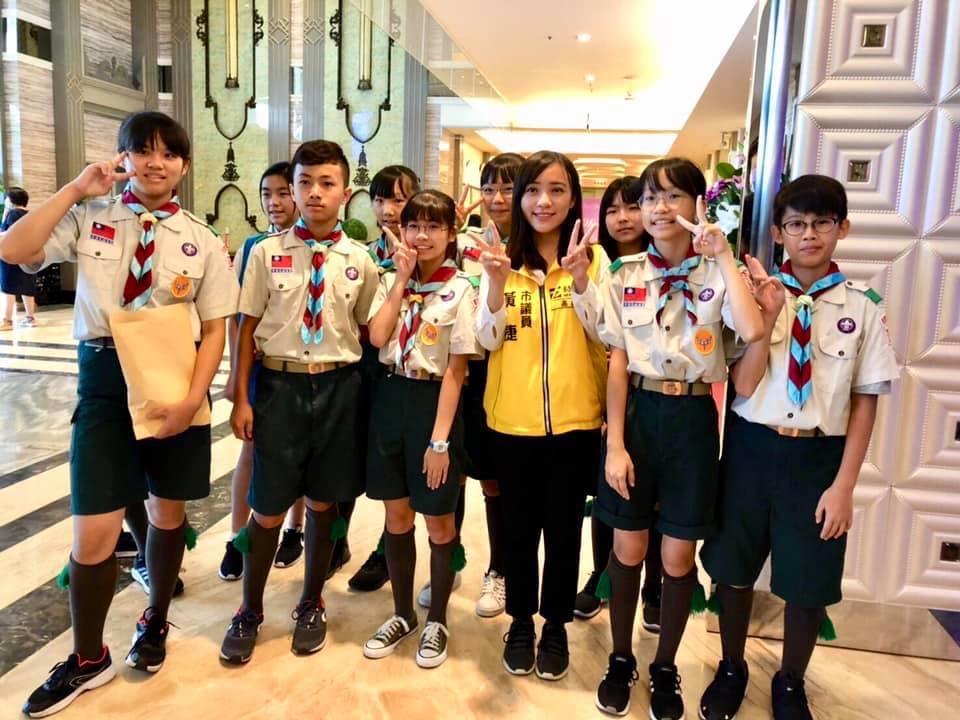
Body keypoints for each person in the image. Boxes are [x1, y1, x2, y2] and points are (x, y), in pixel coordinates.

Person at [0, 111, 238, 717]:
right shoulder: (90, 217)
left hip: (172, 379)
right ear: (122, 157)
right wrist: (77, 188)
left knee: (166, 511)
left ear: (184, 166)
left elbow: (215, 329)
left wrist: (193, 399)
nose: (156, 162)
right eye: (143, 151)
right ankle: (88, 657)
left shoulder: (202, 239)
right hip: (105, 381)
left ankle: (155, 618)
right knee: (93, 532)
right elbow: (13, 249)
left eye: (168, 154)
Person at [698, 175, 898, 720]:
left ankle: (790, 681)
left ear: (842, 228)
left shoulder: (864, 308)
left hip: (818, 459)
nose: (809, 235)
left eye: (821, 223)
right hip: (751, 451)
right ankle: (731, 666)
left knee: (808, 581)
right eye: (796, 224)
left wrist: (844, 486)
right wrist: (765, 322)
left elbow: (864, 403)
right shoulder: (753, 295)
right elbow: (741, 387)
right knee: (733, 567)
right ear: (778, 233)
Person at [590, 158, 764, 718]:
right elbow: (618, 363)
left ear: (697, 205)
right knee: (628, 546)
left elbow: (752, 329)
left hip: (692, 419)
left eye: (672, 196)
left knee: (678, 552)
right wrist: (616, 445)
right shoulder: (624, 274)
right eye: (649, 198)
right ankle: (621, 658)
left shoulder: (718, 273)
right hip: (638, 414)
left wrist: (725, 257)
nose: (659, 208)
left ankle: (665, 665)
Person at [219, 140, 378, 665]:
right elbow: (246, 328)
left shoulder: (360, 261)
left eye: (326, 183)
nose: (314, 193)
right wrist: (241, 397)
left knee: (322, 503)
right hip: (280, 388)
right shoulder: (266, 253)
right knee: (267, 507)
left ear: (345, 192)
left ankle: (311, 602)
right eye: (305, 182)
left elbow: (371, 330)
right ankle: (249, 609)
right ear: (292, 188)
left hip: (338, 388)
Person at [473, 150, 607, 681]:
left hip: (575, 423)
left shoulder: (595, 261)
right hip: (512, 423)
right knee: (518, 530)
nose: (543, 201)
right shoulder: (499, 260)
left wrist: (581, 281)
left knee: (564, 531)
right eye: (532, 190)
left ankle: (555, 624)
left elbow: (606, 334)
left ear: (573, 200)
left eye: (556, 190)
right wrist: (495, 285)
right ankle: (521, 622)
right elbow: (485, 340)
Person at [362, 189, 480, 668]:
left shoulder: (462, 289)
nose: (422, 235)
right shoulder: (392, 279)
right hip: (391, 396)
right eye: (414, 225)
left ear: (451, 234)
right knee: (396, 516)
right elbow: (377, 336)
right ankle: (402, 614)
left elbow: (456, 370)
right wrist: (400, 280)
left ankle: (438, 621)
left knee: (438, 519)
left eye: (433, 226)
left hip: (434, 404)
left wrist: (439, 441)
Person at [576, 176, 663, 633]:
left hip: (648, 395)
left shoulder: (668, 261)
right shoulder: (595, 263)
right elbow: (594, 330)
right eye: (612, 210)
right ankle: (602, 574)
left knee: (655, 495)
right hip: (601, 392)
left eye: (632, 207)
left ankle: (654, 586)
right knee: (608, 494)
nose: (623, 218)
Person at [219, 161, 306, 582]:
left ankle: (294, 529)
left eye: (283, 192)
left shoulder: (317, 247)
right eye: (267, 193)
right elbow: (238, 317)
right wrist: (236, 377)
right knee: (252, 450)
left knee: (302, 451)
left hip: (302, 365)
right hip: (260, 366)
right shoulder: (254, 247)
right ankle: (237, 537)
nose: (275, 202)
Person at [456, 152, 524, 618]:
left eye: (508, 187)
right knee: (457, 468)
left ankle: (500, 570)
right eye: (490, 188)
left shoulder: (535, 247)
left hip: (515, 372)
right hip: (467, 372)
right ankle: (449, 562)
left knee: (499, 480)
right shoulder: (463, 243)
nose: (498, 198)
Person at [348, 164, 422, 593]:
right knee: (355, 459)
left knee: (407, 471)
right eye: (379, 199)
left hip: (411, 373)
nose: (388, 209)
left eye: (397, 199)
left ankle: (385, 550)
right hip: (362, 367)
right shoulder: (361, 255)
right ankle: (336, 541)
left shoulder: (431, 256)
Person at [0, 186, 38, 329]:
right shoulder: (31, 215)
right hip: (29, 256)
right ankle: (31, 318)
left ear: (10, 200)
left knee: (8, 288)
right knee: (27, 288)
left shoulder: (13, 214)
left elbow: (10, 233)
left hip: (12, 256)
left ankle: (7, 321)